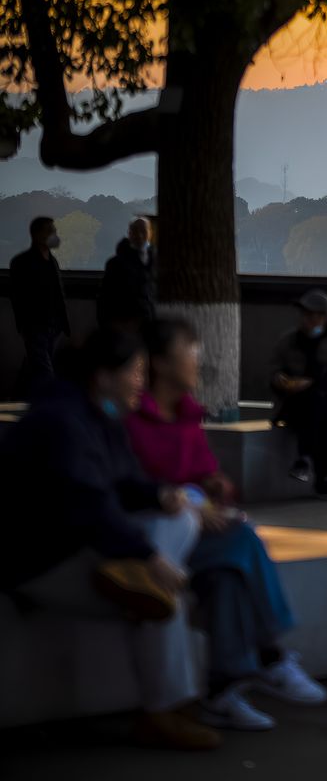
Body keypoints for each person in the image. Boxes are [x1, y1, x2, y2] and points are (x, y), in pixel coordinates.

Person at [0, 328, 220, 751]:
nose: (143, 380)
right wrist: (148, 555)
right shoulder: (61, 421)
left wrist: (160, 494)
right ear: (102, 376)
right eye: (135, 371)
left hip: (80, 545)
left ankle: (136, 585)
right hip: (39, 558)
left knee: (182, 518)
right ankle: (162, 710)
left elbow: (122, 482)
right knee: (159, 600)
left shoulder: (100, 414)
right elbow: (85, 501)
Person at [126, 318, 327, 731]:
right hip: (151, 539)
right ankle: (270, 654)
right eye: (190, 349)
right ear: (162, 363)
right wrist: (190, 501)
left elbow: (204, 476)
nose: (198, 358)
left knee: (226, 577)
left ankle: (222, 690)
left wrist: (215, 488)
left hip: (192, 538)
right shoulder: (133, 420)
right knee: (244, 540)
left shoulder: (186, 414)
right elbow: (134, 487)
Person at [270, 290, 327, 500]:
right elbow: (274, 370)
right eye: (305, 314)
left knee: (319, 404)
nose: (308, 320)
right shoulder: (288, 340)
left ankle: (303, 459)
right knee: (316, 409)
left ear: (326, 317)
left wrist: (310, 382)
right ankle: (321, 479)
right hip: (293, 401)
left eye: (314, 315)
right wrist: (282, 380)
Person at [9, 217, 70, 395]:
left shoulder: (52, 261)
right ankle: (50, 405)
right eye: (50, 231)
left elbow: (58, 294)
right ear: (37, 235)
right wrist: (24, 325)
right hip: (35, 327)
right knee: (45, 370)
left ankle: (18, 398)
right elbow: (17, 296)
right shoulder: (21, 262)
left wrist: (63, 323)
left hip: (54, 326)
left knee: (34, 367)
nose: (54, 235)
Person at [97, 218, 156, 331]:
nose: (139, 235)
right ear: (129, 233)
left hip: (149, 322)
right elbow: (105, 296)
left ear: (150, 233)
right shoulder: (116, 263)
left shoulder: (156, 259)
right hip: (125, 323)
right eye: (135, 231)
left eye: (143, 231)